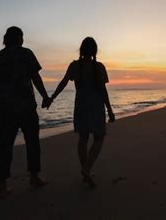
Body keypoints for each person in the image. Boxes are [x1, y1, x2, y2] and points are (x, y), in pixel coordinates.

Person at [0, 26, 50, 199]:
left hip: (6, 110)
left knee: (5, 146)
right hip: (26, 107)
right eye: (22, 37)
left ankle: (2, 186)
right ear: (19, 38)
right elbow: (35, 77)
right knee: (32, 143)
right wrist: (45, 96)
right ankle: (34, 177)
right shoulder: (25, 53)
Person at [46, 37, 115, 188]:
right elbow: (103, 91)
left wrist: (52, 98)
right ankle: (86, 169)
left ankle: (86, 171)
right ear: (95, 51)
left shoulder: (74, 66)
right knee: (99, 138)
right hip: (96, 105)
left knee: (83, 138)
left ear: (81, 49)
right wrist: (109, 109)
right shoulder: (99, 67)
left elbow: (64, 82)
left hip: (81, 104)